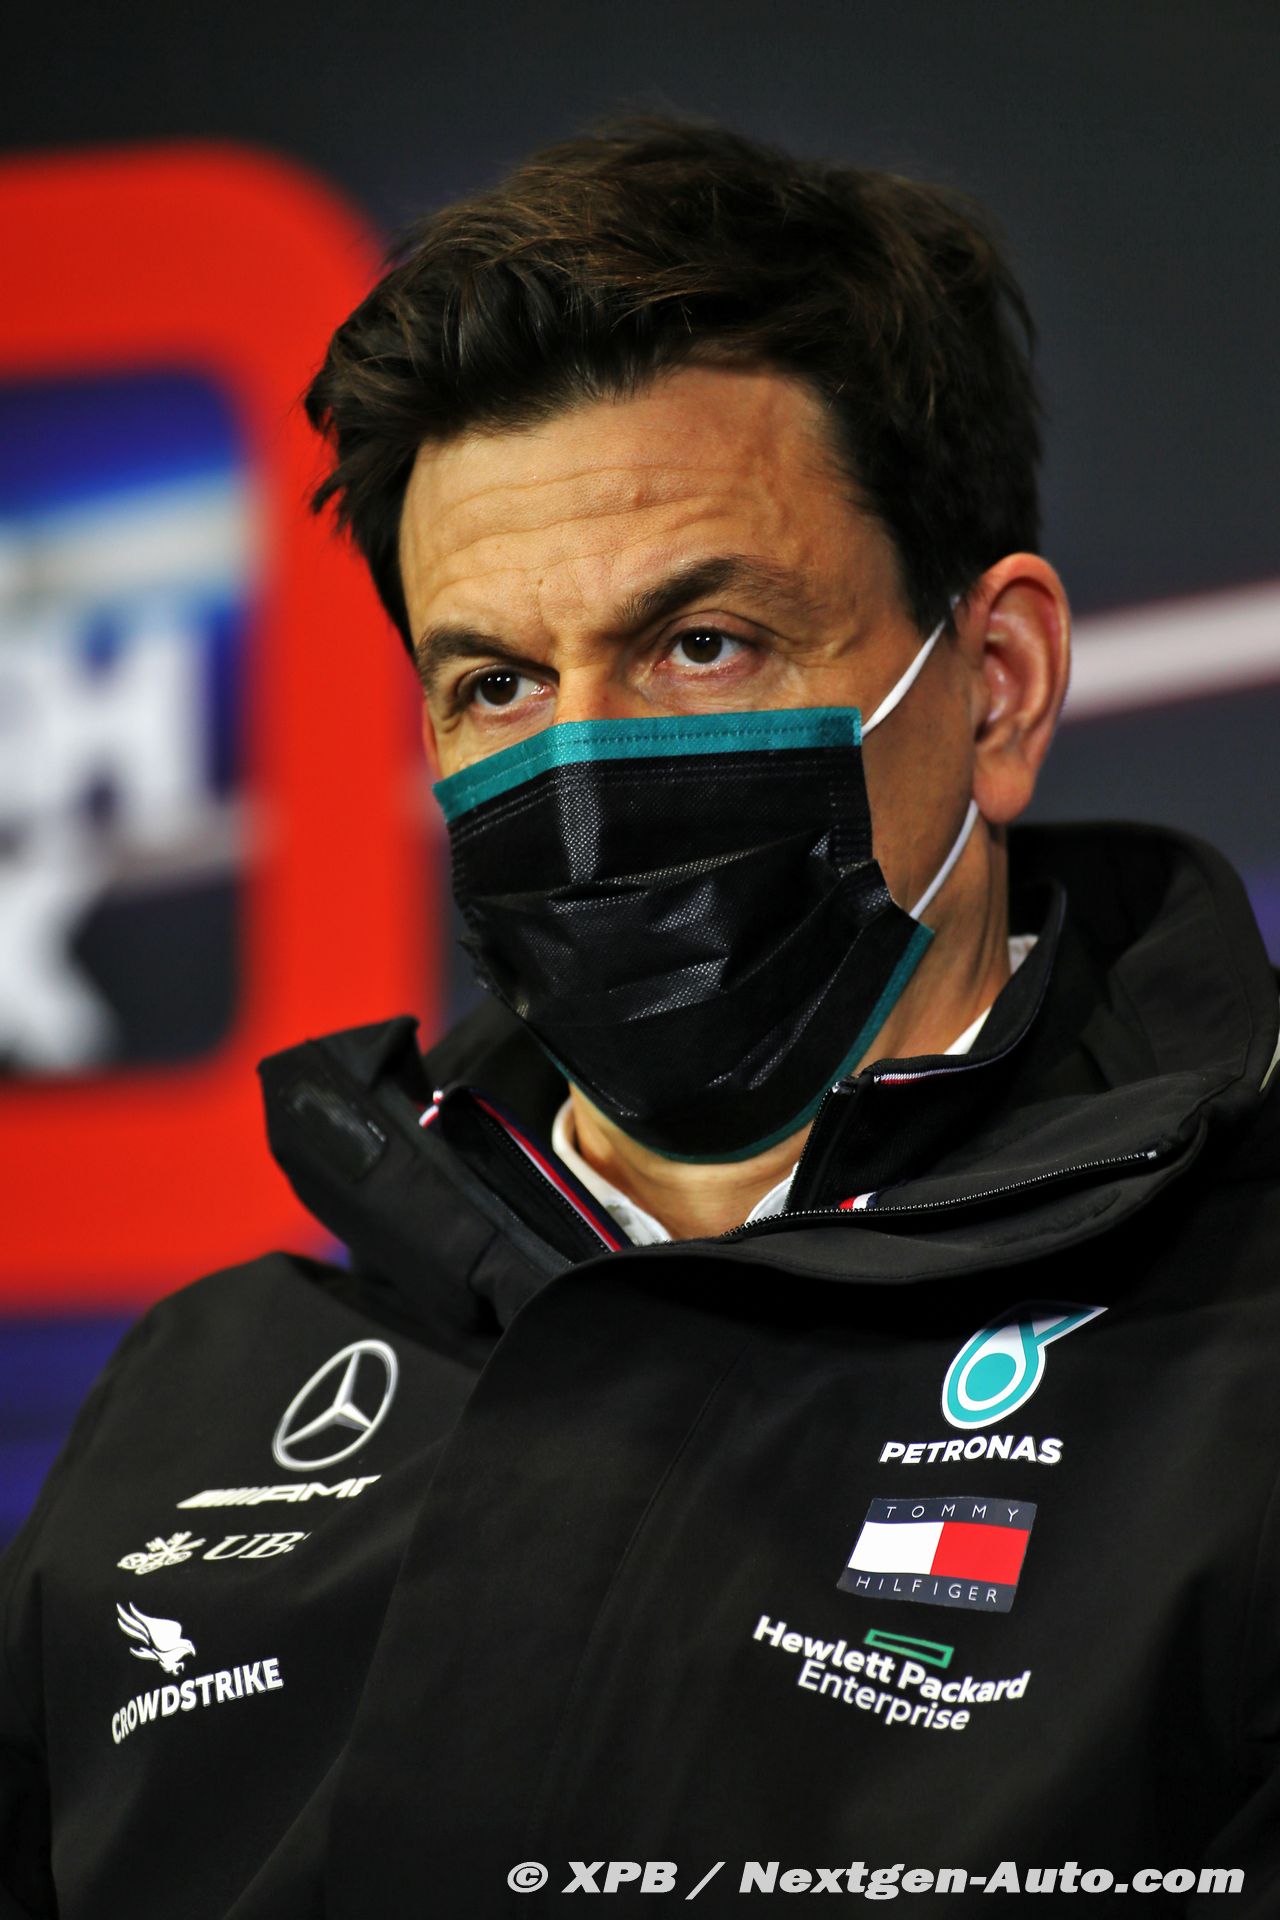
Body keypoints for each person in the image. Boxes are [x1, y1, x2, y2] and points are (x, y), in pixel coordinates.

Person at [2, 117, 1278, 1918]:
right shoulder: (202, 1398)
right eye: (497, 684)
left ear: (996, 687)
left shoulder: (1241, 1356)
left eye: (702, 644)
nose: (586, 777)